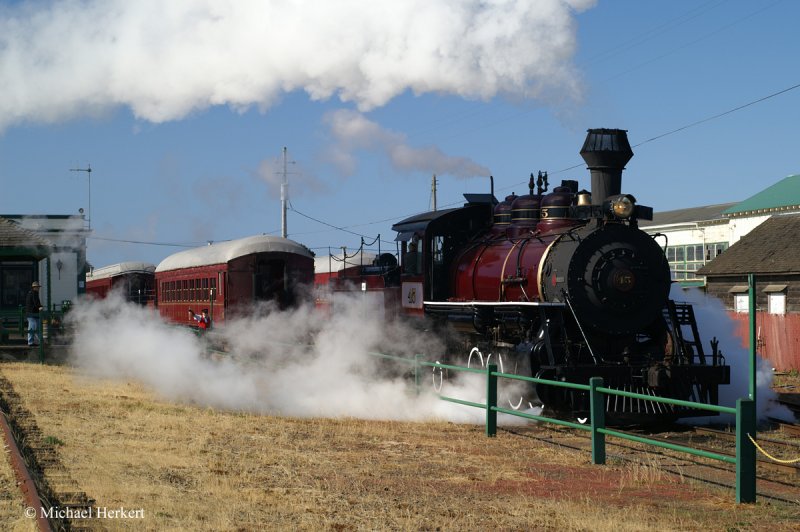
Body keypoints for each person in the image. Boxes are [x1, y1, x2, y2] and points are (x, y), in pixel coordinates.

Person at [25, 281, 43, 347]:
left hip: (32, 313)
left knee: (36, 327)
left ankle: (38, 341)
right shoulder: (34, 293)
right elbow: (36, 303)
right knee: (33, 327)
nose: (38, 288)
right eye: (37, 287)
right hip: (32, 313)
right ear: (34, 287)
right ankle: (31, 342)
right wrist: (40, 307)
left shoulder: (30, 293)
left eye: (38, 287)